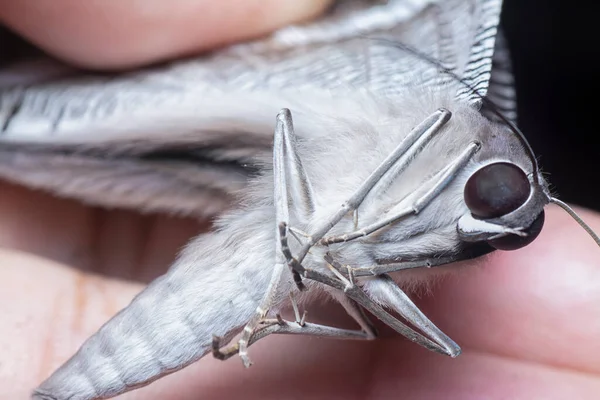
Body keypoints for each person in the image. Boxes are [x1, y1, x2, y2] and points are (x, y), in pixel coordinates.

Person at [1, 1, 599, 398]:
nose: (495, 225)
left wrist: (275, 311)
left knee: (430, 339)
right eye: (504, 201)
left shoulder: (448, 220)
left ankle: (273, 312)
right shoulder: (433, 121)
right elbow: (290, 123)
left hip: (286, 266)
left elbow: (399, 272)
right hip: (279, 204)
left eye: (511, 227)